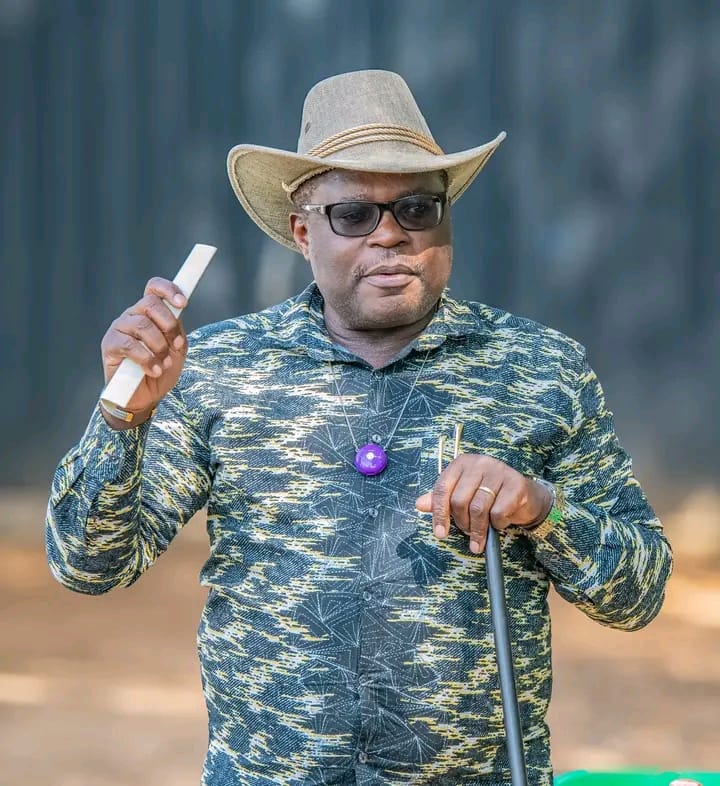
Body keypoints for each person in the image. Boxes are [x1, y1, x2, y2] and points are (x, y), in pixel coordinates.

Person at [46, 70, 672, 786]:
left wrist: (541, 509)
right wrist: (123, 415)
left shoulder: (539, 368)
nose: (391, 235)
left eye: (416, 208)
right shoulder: (219, 368)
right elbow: (87, 565)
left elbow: (640, 593)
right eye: (353, 214)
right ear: (302, 231)